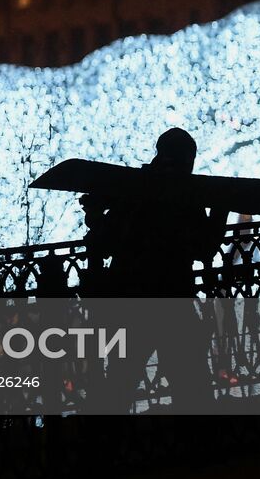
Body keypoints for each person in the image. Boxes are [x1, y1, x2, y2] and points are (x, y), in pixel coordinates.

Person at [82, 128, 229, 411]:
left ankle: (111, 449)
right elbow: (204, 248)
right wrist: (220, 207)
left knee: (119, 385)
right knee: (191, 387)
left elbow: (108, 239)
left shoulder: (135, 188)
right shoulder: (185, 193)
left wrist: (98, 214)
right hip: (173, 299)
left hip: (130, 299)